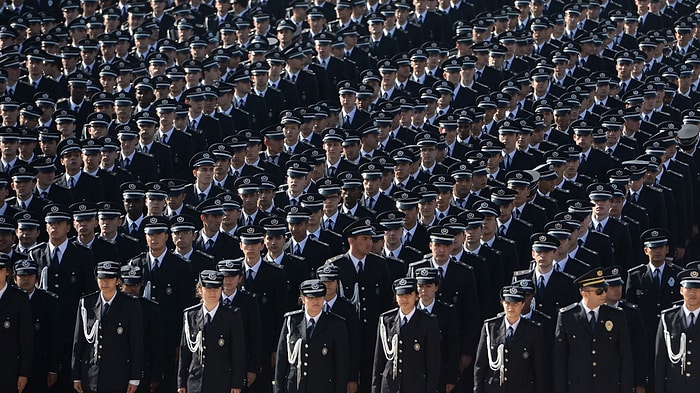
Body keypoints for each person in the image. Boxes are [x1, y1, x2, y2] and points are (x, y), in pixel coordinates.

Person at [553, 268, 633, 393]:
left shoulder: (616, 316)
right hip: (578, 387)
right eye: (599, 291)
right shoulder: (567, 316)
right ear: (584, 293)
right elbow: (560, 361)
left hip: (608, 387)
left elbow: (625, 357)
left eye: (605, 290)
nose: (604, 295)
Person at [71, 261, 144, 393]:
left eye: (109, 278)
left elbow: (136, 343)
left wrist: (134, 378)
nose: (104, 282)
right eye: (101, 278)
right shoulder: (86, 303)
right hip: (91, 374)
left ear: (117, 281)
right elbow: (78, 342)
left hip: (118, 374)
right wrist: (76, 376)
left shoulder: (130, 305)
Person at [274, 279, 350, 393]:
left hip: (323, 387)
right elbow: (281, 361)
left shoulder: (336, 324)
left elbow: (341, 365)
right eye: (311, 297)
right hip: (295, 387)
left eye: (319, 297)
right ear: (303, 299)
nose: (316, 301)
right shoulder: (291, 321)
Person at [178, 270, 246, 393]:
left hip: (221, 381)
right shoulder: (191, 315)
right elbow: (185, 352)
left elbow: (238, 352)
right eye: (208, 289)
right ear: (200, 290)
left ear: (221, 290)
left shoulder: (231, 316)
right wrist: (181, 382)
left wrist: (237, 383)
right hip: (195, 381)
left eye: (216, 289)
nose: (212, 293)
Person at [474, 285, 548, 393]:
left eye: (515, 304)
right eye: (507, 303)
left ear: (522, 305)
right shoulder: (490, 327)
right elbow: (480, 364)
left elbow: (539, 368)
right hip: (494, 388)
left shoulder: (533, 330)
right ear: (502, 303)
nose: (511, 307)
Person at [372, 277, 440, 393]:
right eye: (400, 295)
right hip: (390, 386)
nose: (404, 299)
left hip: (416, 385)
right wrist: (375, 389)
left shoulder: (427, 322)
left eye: (408, 294)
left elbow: (433, 362)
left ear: (416, 296)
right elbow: (379, 360)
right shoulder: (387, 320)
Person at [13, 259, 60, 393]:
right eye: (22, 276)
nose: (26, 279)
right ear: (15, 278)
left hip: (39, 366)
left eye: (30, 275)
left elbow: (54, 337)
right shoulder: (8, 299)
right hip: (12, 366)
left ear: (37, 278)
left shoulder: (49, 302)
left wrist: (53, 368)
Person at [413, 267, 460, 393]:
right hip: (414, 375)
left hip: (439, 372)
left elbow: (453, 346)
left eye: (428, 286)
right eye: (420, 286)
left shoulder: (447, 312)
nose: (424, 290)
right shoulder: (410, 311)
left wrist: (451, 377)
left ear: (436, 287)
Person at [119, 265, 165, 393]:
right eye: (129, 285)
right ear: (120, 284)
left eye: (136, 285)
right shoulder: (113, 306)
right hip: (117, 369)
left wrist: (155, 375)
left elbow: (156, 344)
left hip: (142, 368)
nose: (133, 289)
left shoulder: (151, 309)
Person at [654, 267, 700, 393]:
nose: (692, 293)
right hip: (675, 387)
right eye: (689, 288)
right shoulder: (668, 318)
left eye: (697, 289)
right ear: (681, 290)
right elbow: (660, 360)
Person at [0, 254, 33, 393]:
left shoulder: (19, 298)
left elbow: (26, 338)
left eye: (0, 270)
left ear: (7, 272)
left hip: (9, 368)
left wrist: (24, 372)